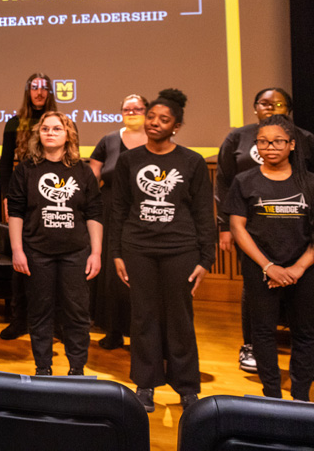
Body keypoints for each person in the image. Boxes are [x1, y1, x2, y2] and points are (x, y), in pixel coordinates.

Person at [110, 89, 215, 412]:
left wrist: (206, 258)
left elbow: (202, 212)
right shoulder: (129, 160)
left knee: (180, 318)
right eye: (151, 117)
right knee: (143, 317)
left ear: (176, 126)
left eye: (163, 119)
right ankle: (145, 384)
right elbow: (119, 209)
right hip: (138, 248)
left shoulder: (192, 161)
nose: (154, 123)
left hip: (180, 249)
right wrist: (116, 252)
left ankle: (186, 386)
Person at [215, 87, 314, 373]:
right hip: (253, 231)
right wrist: (224, 226)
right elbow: (224, 181)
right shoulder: (238, 137)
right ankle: (251, 346)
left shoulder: (305, 139)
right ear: (255, 107)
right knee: (254, 289)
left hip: (298, 232)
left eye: (278, 103)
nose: (270, 108)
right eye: (264, 103)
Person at [8, 112, 103, 376]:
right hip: (37, 252)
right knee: (39, 312)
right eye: (45, 128)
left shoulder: (82, 171)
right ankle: (42, 368)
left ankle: (76, 369)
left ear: (68, 135)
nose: (50, 132)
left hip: (77, 253)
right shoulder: (25, 170)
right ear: (38, 134)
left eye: (57, 128)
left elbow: (95, 212)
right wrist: (17, 250)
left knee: (76, 313)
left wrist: (96, 252)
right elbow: (15, 211)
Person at [0, 72, 57, 340]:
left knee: (52, 263)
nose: (40, 93)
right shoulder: (13, 123)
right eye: (35, 88)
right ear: (28, 91)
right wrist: (7, 199)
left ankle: (53, 323)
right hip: (21, 199)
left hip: (53, 199)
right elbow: (6, 166)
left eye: (44, 88)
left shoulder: (59, 123)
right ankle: (19, 319)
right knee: (19, 261)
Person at [89, 94, 148, 350]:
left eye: (138, 108)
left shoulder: (157, 140)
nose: (132, 111)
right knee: (112, 276)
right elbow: (93, 176)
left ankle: (142, 332)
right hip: (110, 211)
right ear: (120, 112)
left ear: (147, 111)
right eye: (127, 108)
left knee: (139, 272)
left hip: (143, 214)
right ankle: (113, 330)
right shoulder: (109, 140)